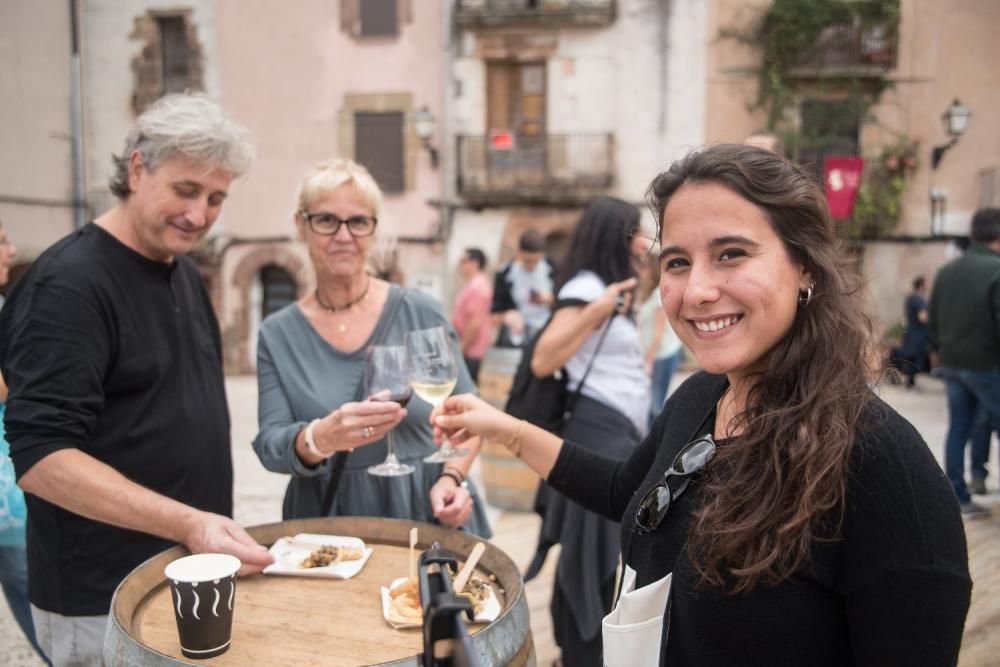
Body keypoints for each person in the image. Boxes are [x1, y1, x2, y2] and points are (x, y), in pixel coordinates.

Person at [434, 144, 971, 666]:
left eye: (731, 254)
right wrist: (504, 427)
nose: (696, 291)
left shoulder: (884, 467)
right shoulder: (702, 397)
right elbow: (624, 490)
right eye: (676, 262)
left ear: (805, 266)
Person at [0, 94, 274, 667]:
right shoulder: (69, 286)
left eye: (216, 198)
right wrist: (187, 521)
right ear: (136, 168)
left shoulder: (185, 274)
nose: (199, 214)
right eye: (185, 190)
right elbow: (42, 458)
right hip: (101, 600)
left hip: (186, 581)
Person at [252, 158, 490, 536]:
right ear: (302, 225)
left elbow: (471, 418)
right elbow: (270, 445)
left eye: (359, 222)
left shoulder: (420, 311)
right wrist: (320, 438)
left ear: (374, 230)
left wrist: (451, 480)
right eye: (327, 220)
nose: (343, 236)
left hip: (424, 512)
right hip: (328, 525)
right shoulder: (278, 334)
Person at [520, 196, 650, 667]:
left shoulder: (607, 284)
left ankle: (583, 651)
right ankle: (582, 654)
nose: (643, 240)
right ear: (615, 235)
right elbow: (543, 358)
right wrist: (600, 308)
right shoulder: (586, 287)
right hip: (596, 430)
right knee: (588, 557)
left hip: (614, 431)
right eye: (636, 230)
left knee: (596, 557)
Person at [929, 207, 1000, 517]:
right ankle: (976, 481)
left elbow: (933, 318)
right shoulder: (996, 269)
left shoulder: (947, 271)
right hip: (987, 364)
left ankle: (958, 495)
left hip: (952, 362)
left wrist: (938, 351)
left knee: (958, 428)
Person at [0, 220, 47, 664]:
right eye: (1, 242)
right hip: (8, 487)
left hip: (10, 486)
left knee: (23, 582)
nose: (11, 251)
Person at [637, 253, 684, 425]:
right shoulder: (648, 292)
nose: (640, 271)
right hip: (654, 354)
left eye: (643, 267)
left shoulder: (658, 295)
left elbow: (659, 331)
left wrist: (649, 360)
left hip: (661, 354)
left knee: (656, 404)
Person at [491, 229, 555, 347]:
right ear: (519, 252)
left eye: (536, 261)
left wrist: (550, 299)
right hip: (516, 339)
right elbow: (493, 316)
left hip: (548, 334)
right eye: (527, 261)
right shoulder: (504, 274)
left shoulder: (553, 269)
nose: (531, 266)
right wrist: (506, 316)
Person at [452, 247, 493, 383]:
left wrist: (461, 347)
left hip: (470, 349)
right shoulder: (477, 284)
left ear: (474, 263)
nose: (460, 265)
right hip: (470, 348)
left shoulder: (477, 287)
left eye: (463, 261)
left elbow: (475, 321)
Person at [897, 275, 930, 389]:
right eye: (926, 283)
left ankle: (909, 381)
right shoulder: (918, 299)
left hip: (911, 332)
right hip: (918, 334)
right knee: (917, 358)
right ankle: (910, 382)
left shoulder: (909, 298)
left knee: (910, 356)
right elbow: (923, 317)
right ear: (921, 285)